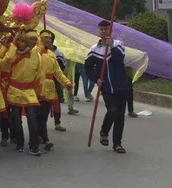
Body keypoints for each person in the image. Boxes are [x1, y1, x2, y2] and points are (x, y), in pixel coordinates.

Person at [85, 20, 130, 154]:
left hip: (121, 86)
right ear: (98, 31)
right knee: (112, 110)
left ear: (111, 30)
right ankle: (104, 131)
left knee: (120, 116)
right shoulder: (94, 49)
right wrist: (95, 79)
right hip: (106, 87)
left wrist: (111, 46)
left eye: (107, 29)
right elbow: (88, 68)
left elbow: (119, 59)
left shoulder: (118, 45)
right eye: (102, 29)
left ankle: (117, 144)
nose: (104, 31)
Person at [0, 30, 43, 156]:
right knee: (16, 120)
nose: (34, 42)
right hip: (14, 89)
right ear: (24, 40)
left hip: (29, 91)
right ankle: (20, 142)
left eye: (35, 39)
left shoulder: (37, 55)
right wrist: (13, 43)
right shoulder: (13, 53)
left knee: (33, 119)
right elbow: (4, 63)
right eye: (31, 39)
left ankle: (34, 146)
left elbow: (39, 76)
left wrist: (40, 92)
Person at [38, 30, 72, 151]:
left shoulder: (53, 55)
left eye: (49, 38)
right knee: (39, 115)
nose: (48, 40)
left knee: (44, 115)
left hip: (49, 87)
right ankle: (43, 138)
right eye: (45, 37)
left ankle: (42, 136)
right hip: (36, 87)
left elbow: (58, 72)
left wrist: (66, 82)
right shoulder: (33, 53)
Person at [52, 41, 78, 130]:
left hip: (62, 77)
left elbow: (60, 69)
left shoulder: (60, 53)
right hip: (50, 80)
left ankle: (58, 121)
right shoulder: (44, 52)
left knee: (57, 101)